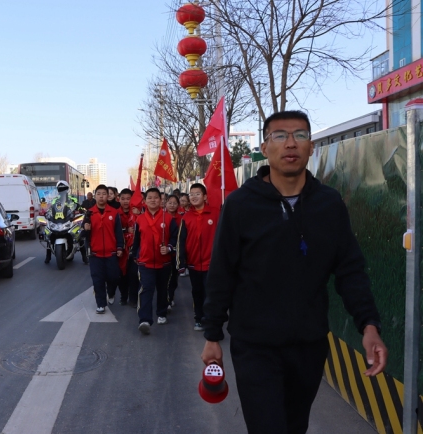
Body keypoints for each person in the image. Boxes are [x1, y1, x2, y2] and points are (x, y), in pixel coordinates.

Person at [200, 110, 387, 434]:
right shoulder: (242, 205)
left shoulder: (329, 205)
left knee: (294, 426)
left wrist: (368, 325)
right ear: (265, 146)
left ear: (311, 147)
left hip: (308, 344)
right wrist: (213, 334)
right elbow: (222, 273)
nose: (291, 143)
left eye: (300, 135)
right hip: (254, 345)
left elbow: (350, 269)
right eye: (280, 135)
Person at [131, 188, 178, 334]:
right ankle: (144, 320)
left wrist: (169, 248)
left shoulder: (168, 218)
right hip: (145, 262)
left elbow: (175, 238)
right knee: (146, 290)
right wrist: (136, 256)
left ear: (161, 200)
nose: (153, 200)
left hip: (164, 263)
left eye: (156, 197)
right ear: (145, 201)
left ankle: (162, 313)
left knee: (162, 289)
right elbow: (136, 241)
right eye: (149, 198)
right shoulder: (140, 219)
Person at [176, 184, 218, 331]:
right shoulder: (186, 217)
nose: (193, 197)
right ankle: (198, 318)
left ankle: (211, 320)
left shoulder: (216, 213)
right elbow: (181, 241)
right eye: (191, 194)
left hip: (211, 263)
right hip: (194, 263)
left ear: (205, 196)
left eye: (197, 194)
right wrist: (182, 262)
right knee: (197, 291)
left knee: (210, 293)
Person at [83, 185, 124, 313]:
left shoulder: (114, 213)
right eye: (99, 194)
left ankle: (111, 293)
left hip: (111, 253)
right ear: (95, 196)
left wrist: (119, 247)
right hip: (95, 254)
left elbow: (118, 232)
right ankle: (100, 304)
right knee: (98, 280)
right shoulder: (89, 213)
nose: (101, 196)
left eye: (104, 194)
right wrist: (86, 229)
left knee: (113, 277)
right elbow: (83, 235)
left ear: (108, 196)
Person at [116, 188, 138, 306]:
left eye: (128, 199)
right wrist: (126, 230)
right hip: (121, 249)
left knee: (133, 274)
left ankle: (133, 299)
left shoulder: (136, 213)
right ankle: (123, 296)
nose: (125, 201)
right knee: (121, 275)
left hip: (133, 249)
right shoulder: (115, 214)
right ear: (119, 199)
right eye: (123, 199)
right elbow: (113, 231)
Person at [164, 194, 183, 311]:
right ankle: (166, 300)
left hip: (176, 254)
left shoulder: (181, 219)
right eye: (169, 202)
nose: (172, 205)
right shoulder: (161, 217)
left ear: (178, 205)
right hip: (163, 253)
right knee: (164, 279)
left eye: (174, 203)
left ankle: (170, 297)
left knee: (173, 279)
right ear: (165, 203)